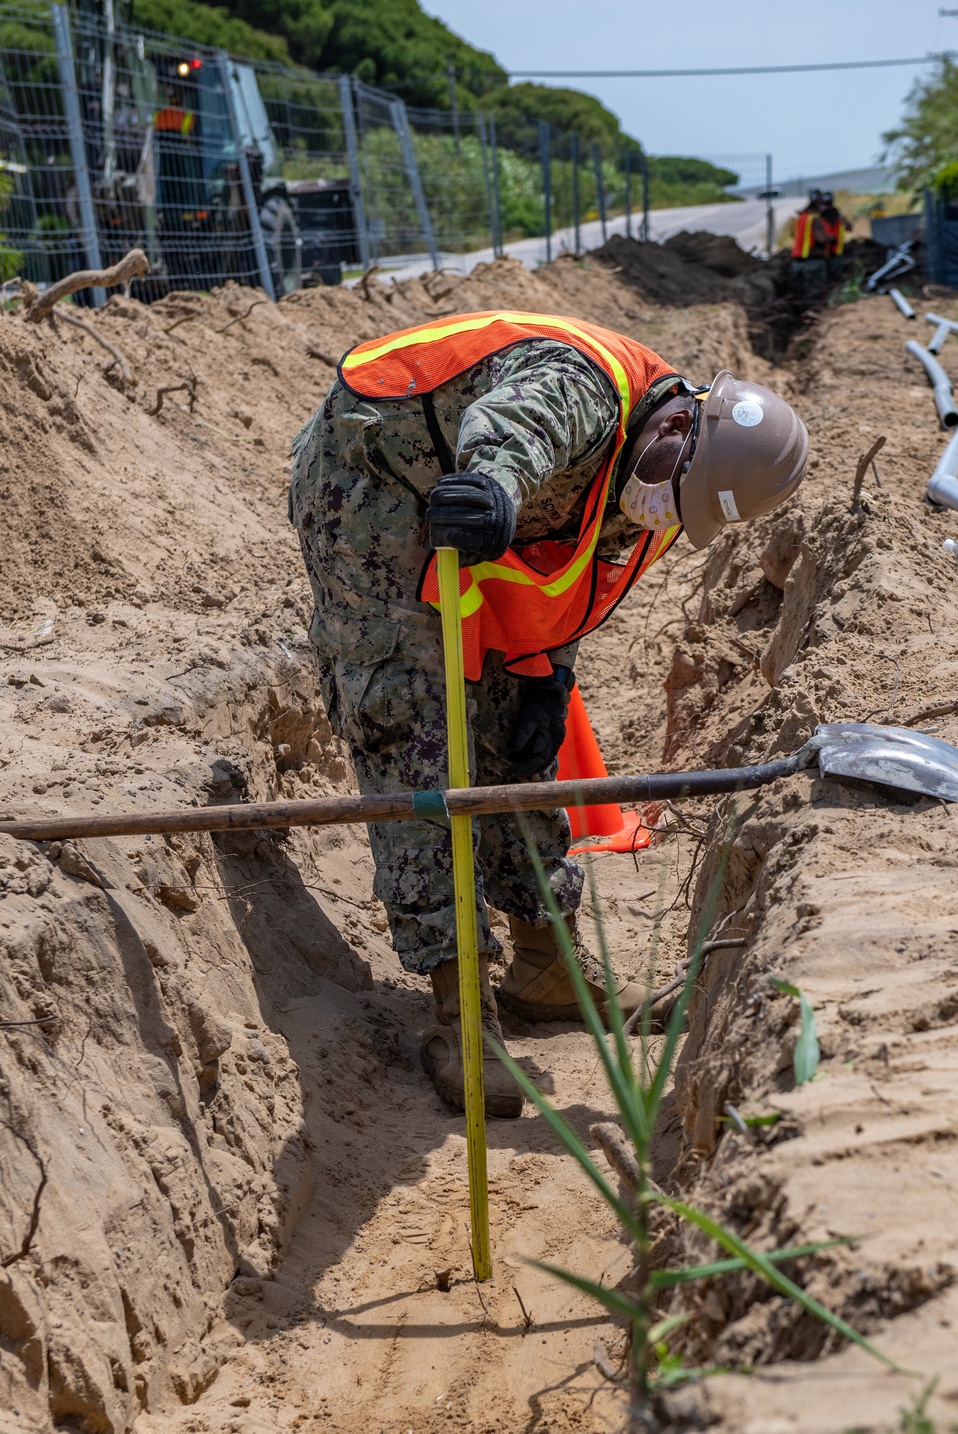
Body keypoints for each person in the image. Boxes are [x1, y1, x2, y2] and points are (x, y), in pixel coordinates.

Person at [288, 311, 808, 1119]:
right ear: (677, 426)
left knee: (514, 734)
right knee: (415, 719)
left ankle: (545, 962)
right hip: (377, 478)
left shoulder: (666, 491)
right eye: (670, 488)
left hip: (491, 511)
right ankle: (460, 1006)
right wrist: (492, 484)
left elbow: (573, 578)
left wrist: (544, 677)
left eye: (680, 509)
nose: (660, 511)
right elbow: (515, 424)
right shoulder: (585, 385)